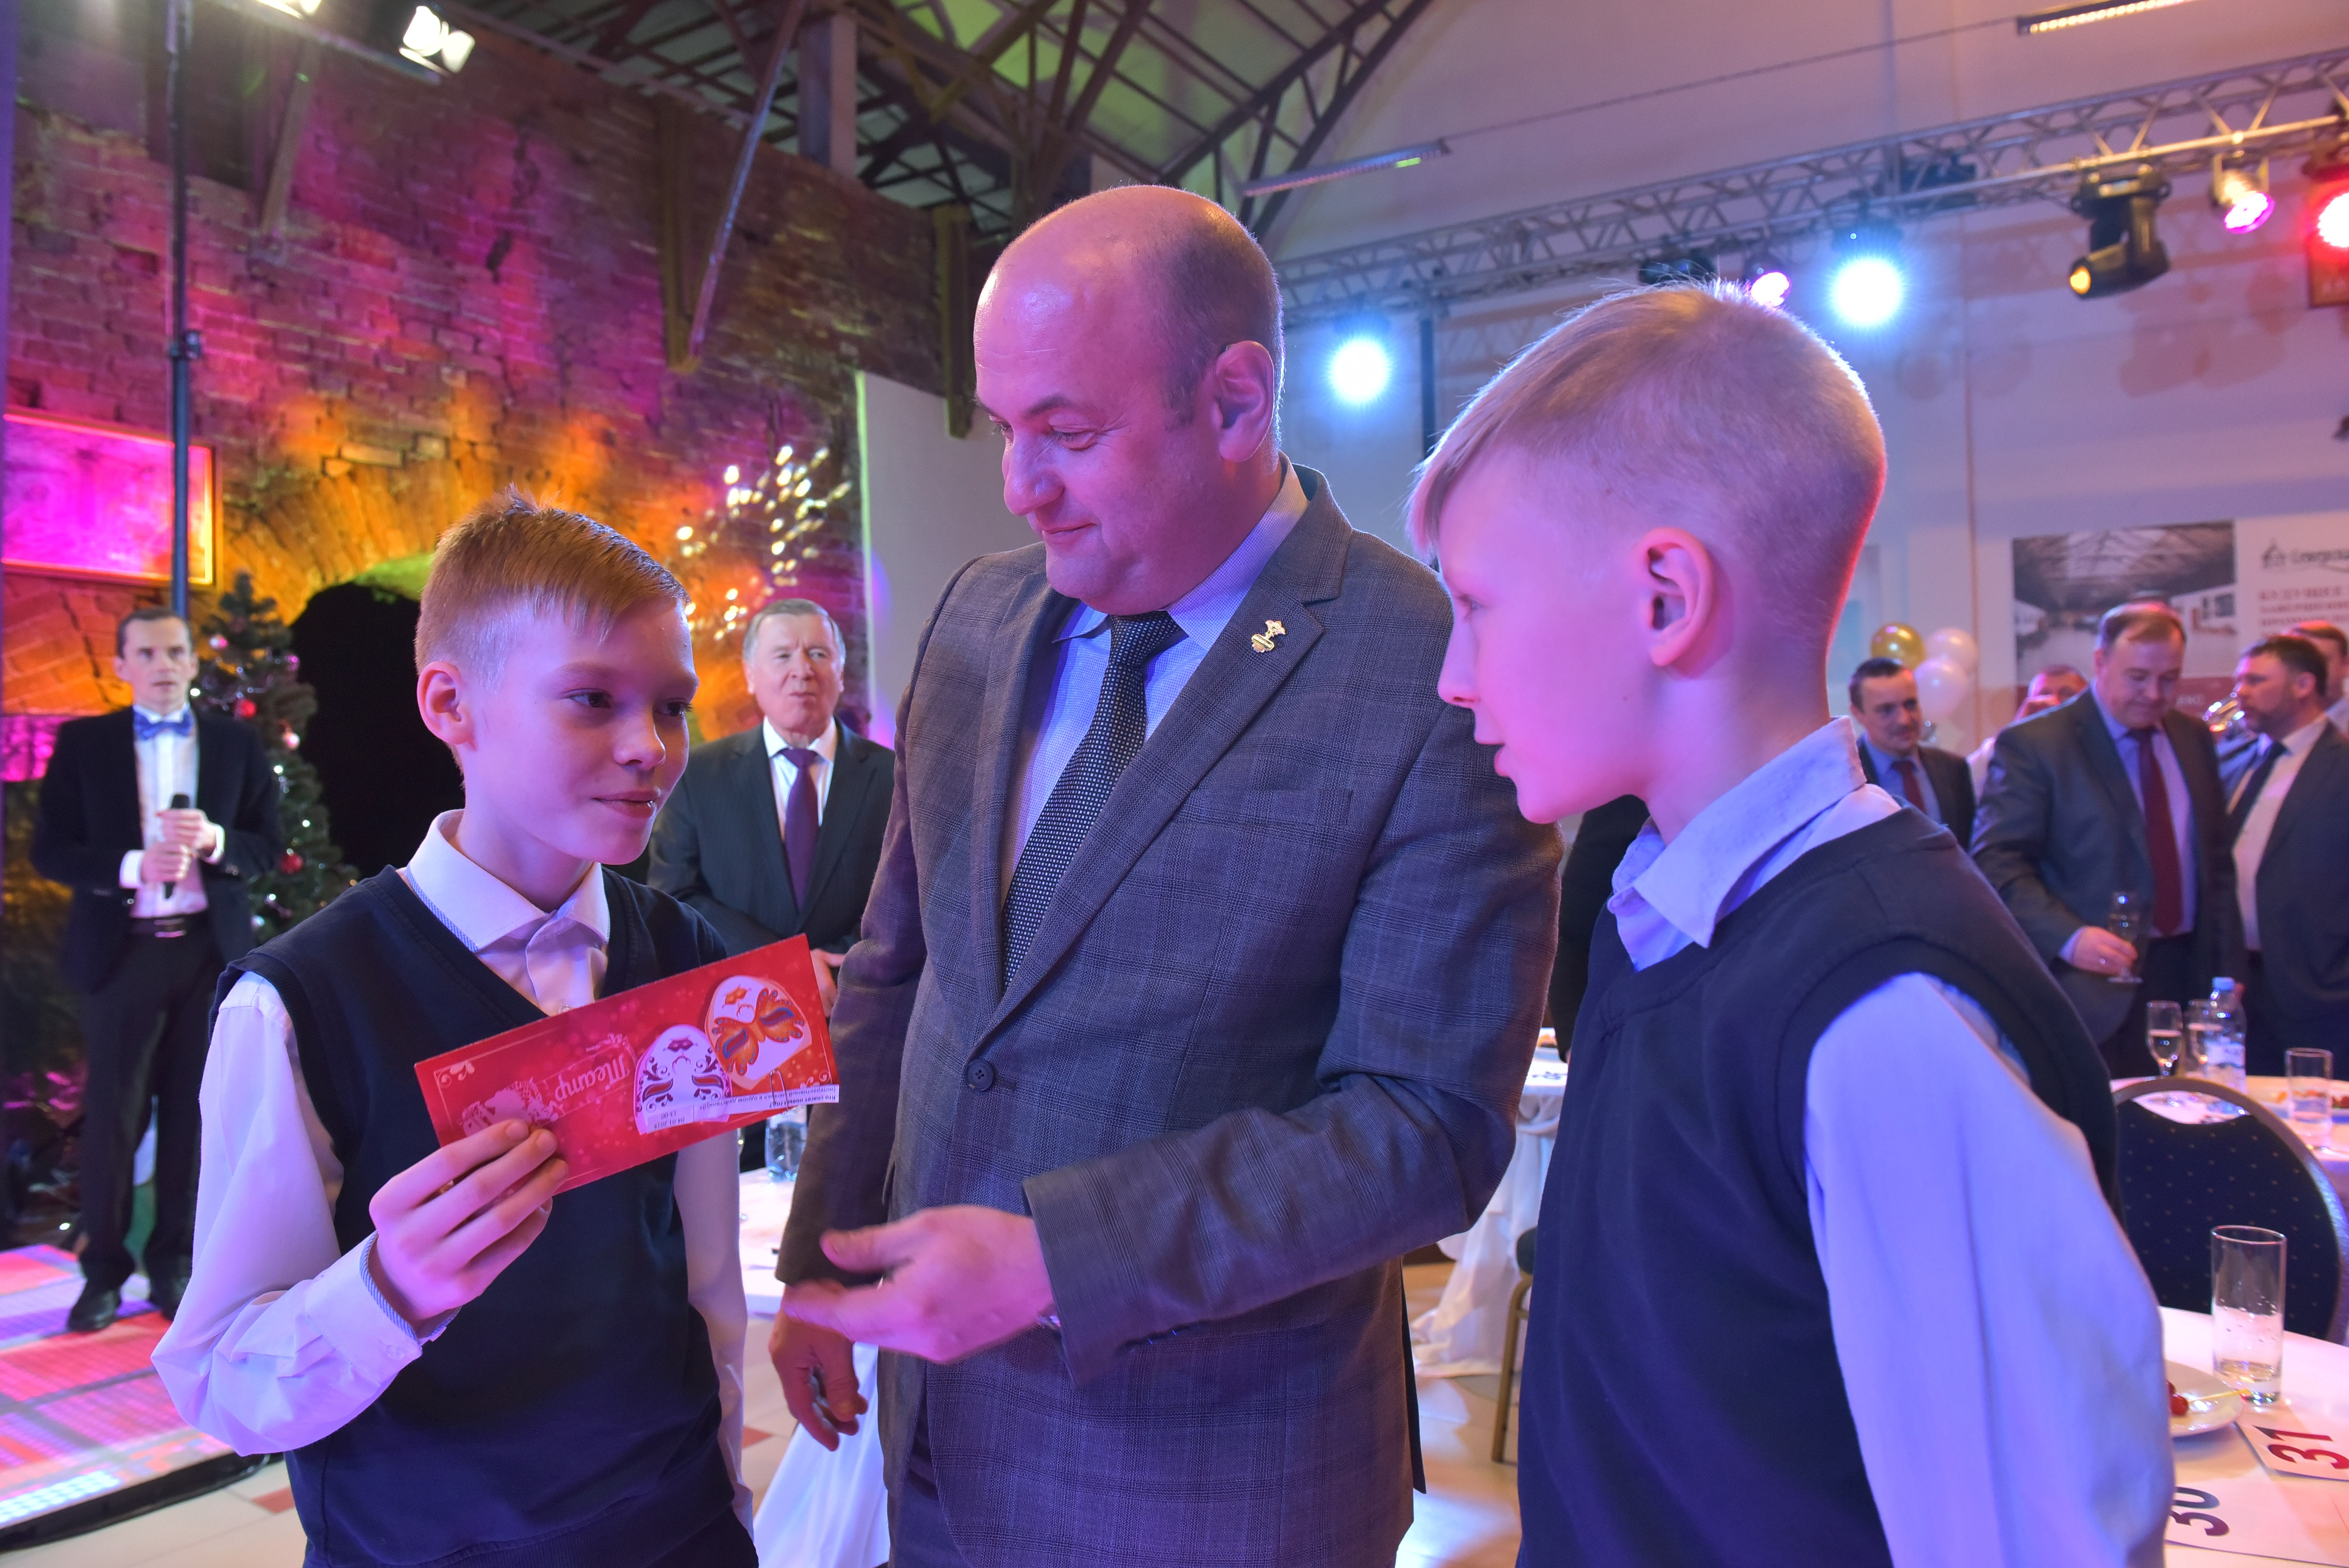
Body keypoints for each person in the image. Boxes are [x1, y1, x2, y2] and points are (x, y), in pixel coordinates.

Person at [767, 185, 1561, 1568]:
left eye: (1067, 433)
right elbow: (899, 970)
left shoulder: (1425, 669)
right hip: (934, 1449)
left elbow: (1426, 1125)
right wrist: (818, 1262)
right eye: (1004, 429)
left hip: (1212, 1489)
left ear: (1235, 400)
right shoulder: (979, 616)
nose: (1019, 485)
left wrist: (1057, 1258)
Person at [1419, 283, 2166, 1564]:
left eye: (1478, 605)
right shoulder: (1669, 918)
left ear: (1664, 597)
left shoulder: (1881, 1014)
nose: (1452, 675)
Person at [153, 496, 757, 1568]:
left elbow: (707, 1285)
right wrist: (388, 1288)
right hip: (421, 1545)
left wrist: (727, 1503)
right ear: (450, 704)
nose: (649, 748)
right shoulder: (300, 1002)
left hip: (679, 1529)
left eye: (672, 706)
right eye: (592, 699)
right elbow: (219, 1379)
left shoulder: (688, 959)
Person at [31, 607, 281, 1334]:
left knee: (192, 1118)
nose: (164, 665)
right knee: (112, 1121)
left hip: (207, 953)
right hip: (124, 954)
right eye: (146, 653)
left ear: (194, 662)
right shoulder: (85, 744)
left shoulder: (236, 743)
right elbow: (50, 851)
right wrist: (133, 866)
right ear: (121, 665)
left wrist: (217, 840)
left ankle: (173, 1266)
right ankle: (103, 1273)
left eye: (175, 652)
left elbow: (265, 846)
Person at [651, 597, 893, 1171]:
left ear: (840, 672)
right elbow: (674, 896)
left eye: (818, 654)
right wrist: (786, 966)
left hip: (855, 1032)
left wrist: (844, 963)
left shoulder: (894, 777)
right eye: (783, 655)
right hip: (735, 1043)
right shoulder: (697, 776)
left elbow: (915, 896)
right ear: (751, 674)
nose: (801, 670)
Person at [1974, 603, 2239, 1077]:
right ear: (2100, 662)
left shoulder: (2192, 737)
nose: (2154, 694)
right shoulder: (2036, 745)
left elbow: (2218, 868)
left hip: (2189, 979)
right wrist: (2069, 937)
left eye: (2169, 679)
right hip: (2089, 988)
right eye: (2137, 677)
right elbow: (1997, 863)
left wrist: (2228, 971)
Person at [2226, 634, 2349, 1075]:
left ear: (2303, 685)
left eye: (2257, 681)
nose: (2241, 692)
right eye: (2240, 680)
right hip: (2236, 985)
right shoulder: (2231, 760)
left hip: (2321, 992)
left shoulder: (2342, 763)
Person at [1846, 656, 1975, 845]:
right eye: (1886, 710)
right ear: (1858, 714)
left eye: (1911, 705)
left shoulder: (1954, 769)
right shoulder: (1846, 780)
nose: (1904, 720)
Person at [1967, 663, 2085, 795]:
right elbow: (1964, 784)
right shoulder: (2004, 748)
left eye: (2067, 694)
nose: (2054, 701)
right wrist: (2017, 732)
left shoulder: (2096, 745)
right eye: (2044, 695)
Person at [2286, 619, 2349, 734]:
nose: (2309, 672)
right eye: (2299, 662)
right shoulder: (2268, 727)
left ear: (2346, 665)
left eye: (2321, 661)